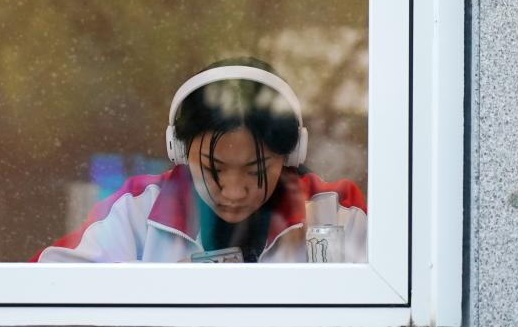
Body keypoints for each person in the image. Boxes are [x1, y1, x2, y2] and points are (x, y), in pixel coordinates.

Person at [32, 57, 367, 263]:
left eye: (257, 170)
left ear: (291, 154)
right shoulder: (136, 211)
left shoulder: (339, 214)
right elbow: (47, 291)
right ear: (178, 150)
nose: (233, 192)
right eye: (212, 169)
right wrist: (160, 293)